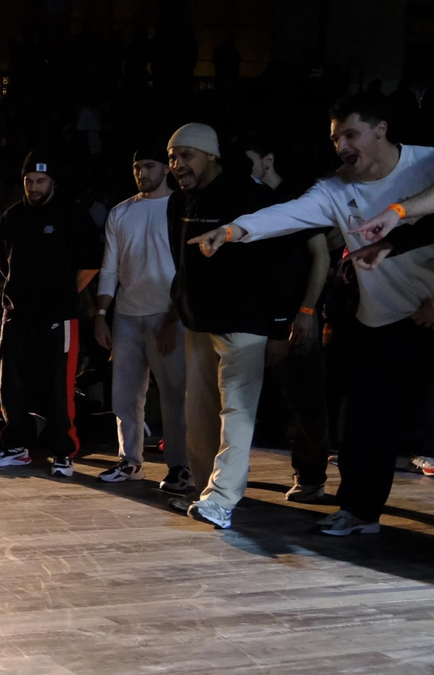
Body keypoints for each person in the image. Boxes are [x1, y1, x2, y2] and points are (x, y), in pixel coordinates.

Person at [199, 94, 434, 535]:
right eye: (335, 138)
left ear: (380, 130)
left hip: (431, 309)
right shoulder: (335, 188)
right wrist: (233, 230)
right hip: (383, 318)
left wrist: (399, 213)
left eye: (351, 134)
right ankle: (360, 512)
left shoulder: (426, 164)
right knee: (365, 420)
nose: (342, 144)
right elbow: (288, 213)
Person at [164, 123, 288, 529]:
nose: (177, 164)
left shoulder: (250, 196)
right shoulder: (177, 202)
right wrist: (178, 309)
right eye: (172, 157)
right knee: (198, 414)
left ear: (212, 156)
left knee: (237, 413)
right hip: (198, 323)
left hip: (245, 323)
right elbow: (180, 262)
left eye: (187, 156)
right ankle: (206, 494)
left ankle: (222, 498)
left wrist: (279, 326)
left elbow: (278, 265)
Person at [0, 149, 101, 477]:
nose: (33, 187)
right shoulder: (13, 216)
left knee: (58, 388)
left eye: (40, 181)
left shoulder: (71, 214)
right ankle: (17, 448)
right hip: (17, 316)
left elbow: (92, 261)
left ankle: (63, 454)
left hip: (58, 317)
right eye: (29, 181)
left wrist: (62, 294)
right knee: (12, 386)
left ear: (52, 182)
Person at [236, 132, 333, 502]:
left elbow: (320, 255)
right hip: (257, 315)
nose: (244, 170)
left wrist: (307, 310)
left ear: (268, 160)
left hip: (294, 315)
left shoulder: (296, 197)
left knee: (305, 398)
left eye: (250, 161)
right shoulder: (249, 197)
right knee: (250, 398)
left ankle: (311, 478)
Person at [93, 149, 190, 490]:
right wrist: (102, 315)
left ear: (165, 168)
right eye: (136, 167)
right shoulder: (121, 212)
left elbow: (187, 268)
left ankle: (181, 467)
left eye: (148, 166)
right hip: (128, 315)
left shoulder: (180, 207)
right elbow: (109, 268)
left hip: (168, 314)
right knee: (124, 396)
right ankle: (131, 461)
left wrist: (173, 317)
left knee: (175, 395)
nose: (141, 172)